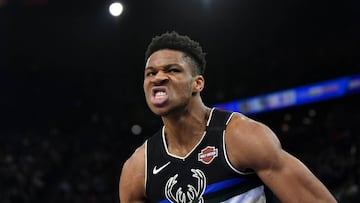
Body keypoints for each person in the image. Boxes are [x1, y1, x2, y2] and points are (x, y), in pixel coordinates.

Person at [119, 31, 337, 203]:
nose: (158, 78)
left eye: (172, 70)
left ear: (198, 83)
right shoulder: (138, 169)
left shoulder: (241, 137)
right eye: (151, 73)